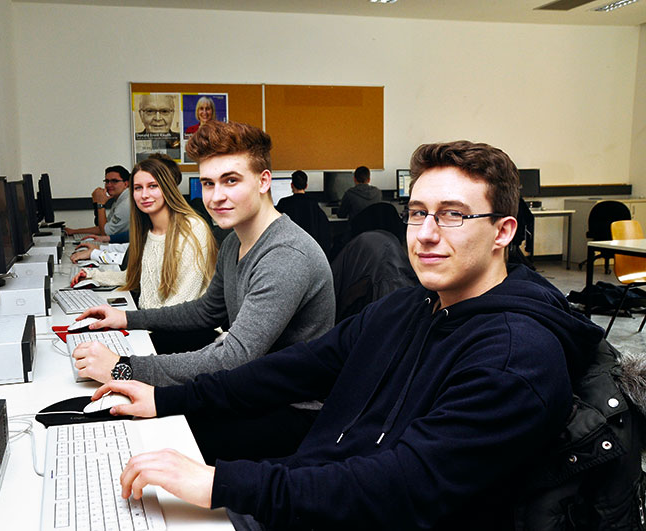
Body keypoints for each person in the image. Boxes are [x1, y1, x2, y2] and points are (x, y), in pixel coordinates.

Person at [91, 140, 605, 530]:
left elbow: (402, 486)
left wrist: (222, 484)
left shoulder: (517, 357)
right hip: (312, 496)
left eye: (453, 215)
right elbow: (290, 370)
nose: (425, 233)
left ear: (503, 231)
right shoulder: (408, 308)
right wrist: (166, 398)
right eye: (418, 213)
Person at [73, 121, 335, 462]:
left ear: (264, 181)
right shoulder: (234, 243)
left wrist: (124, 367)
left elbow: (234, 357)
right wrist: (124, 317)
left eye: (231, 180)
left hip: (291, 411)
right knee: (129, 421)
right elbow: (205, 312)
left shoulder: (286, 255)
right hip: (250, 390)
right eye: (208, 183)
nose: (216, 196)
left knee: (148, 442)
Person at [71, 157, 216, 314]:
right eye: (138, 188)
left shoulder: (192, 228)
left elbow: (183, 301)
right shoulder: (147, 230)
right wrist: (93, 276)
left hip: (182, 331)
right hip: (152, 324)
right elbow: (137, 278)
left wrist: (132, 321)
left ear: (167, 189)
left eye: (153, 186)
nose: (144, 195)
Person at [64, 166, 130, 243]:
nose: (109, 185)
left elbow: (105, 233)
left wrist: (100, 204)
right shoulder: (119, 200)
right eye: (107, 181)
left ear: (125, 184)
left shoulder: (126, 204)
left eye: (114, 181)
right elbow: (102, 227)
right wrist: (74, 231)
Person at [275, 170, 331, 254]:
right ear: (306, 186)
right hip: (309, 249)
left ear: (291, 185)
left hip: (288, 249)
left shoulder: (284, 203)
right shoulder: (313, 203)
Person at [135, 94, 180, 162]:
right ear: (141, 114)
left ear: (172, 114)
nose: (158, 118)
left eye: (164, 111)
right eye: (150, 111)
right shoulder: (135, 139)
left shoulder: (180, 141)